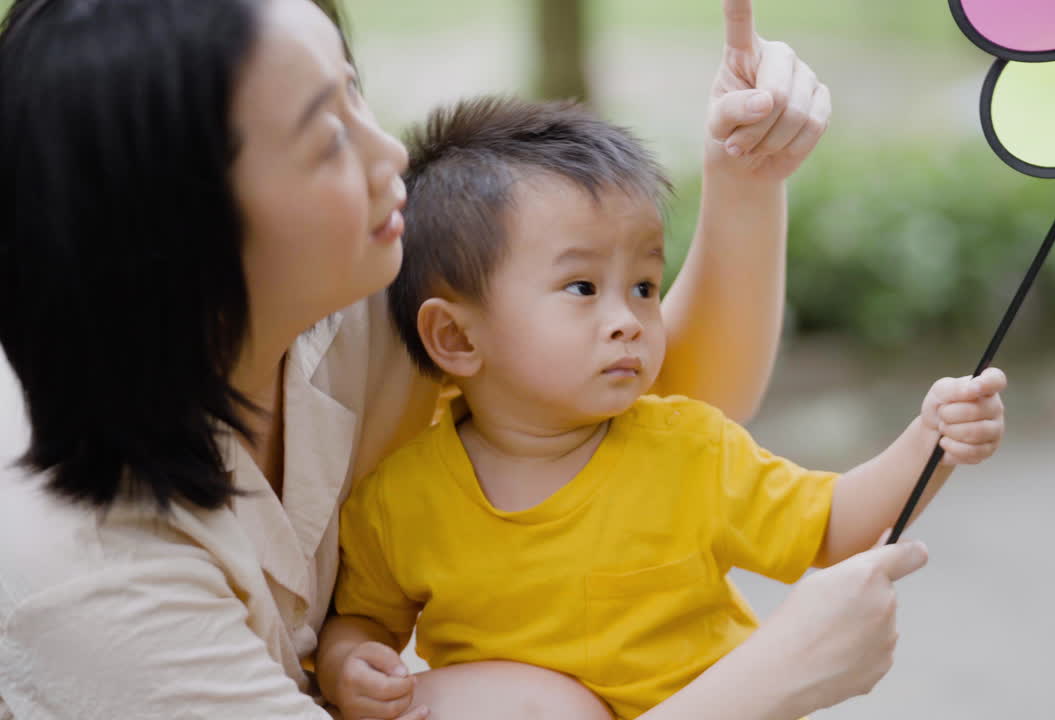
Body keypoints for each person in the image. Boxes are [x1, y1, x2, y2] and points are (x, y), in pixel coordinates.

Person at [0, 0, 934, 718]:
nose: (387, 155)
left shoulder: (349, 288)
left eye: (355, 92)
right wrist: (768, 682)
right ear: (177, 221)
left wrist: (745, 182)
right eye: (326, 135)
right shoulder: (76, 568)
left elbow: (644, 409)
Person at [315, 96, 1007, 720]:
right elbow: (364, 619)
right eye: (583, 287)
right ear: (458, 337)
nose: (629, 319)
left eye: (645, 286)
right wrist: (352, 664)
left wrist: (929, 441)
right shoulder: (401, 499)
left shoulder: (689, 448)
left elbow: (832, 527)